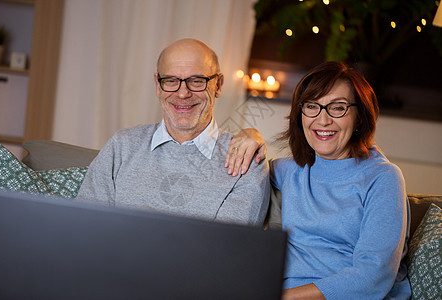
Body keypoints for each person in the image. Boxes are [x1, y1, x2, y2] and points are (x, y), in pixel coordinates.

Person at [228, 61, 411, 299]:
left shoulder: (383, 178)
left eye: (338, 108)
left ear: (359, 117)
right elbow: (238, 174)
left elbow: (373, 277)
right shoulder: (290, 170)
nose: (323, 120)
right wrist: (249, 133)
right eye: (312, 106)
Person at [77, 38, 270, 226]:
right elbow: (85, 227)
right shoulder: (121, 146)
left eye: (196, 81)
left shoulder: (247, 161)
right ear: (157, 85)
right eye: (170, 80)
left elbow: (226, 248)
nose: (182, 93)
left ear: (218, 85)